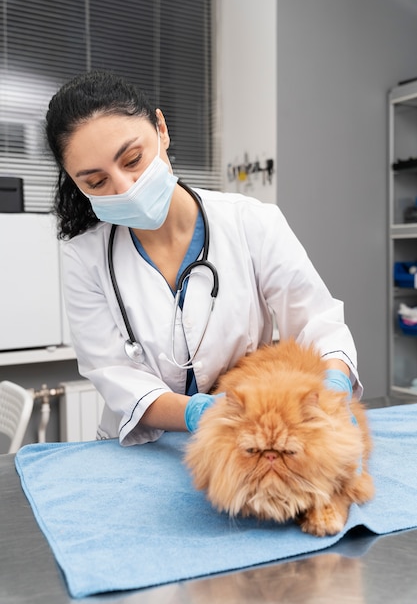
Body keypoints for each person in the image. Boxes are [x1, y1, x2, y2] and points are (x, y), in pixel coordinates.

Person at [45, 70, 360, 446]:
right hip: (146, 446)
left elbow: (317, 324)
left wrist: (333, 384)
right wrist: (202, 413)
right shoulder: (85, 257)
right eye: (96, 183)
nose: (125, 189)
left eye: (132, 159)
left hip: (248, 439)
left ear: (161, 129)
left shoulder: (252, 222)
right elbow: (114, 373)